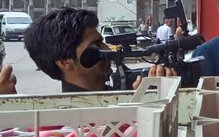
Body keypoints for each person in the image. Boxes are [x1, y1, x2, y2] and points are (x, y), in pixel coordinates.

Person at [24, 8, 175, 93]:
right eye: (95, 45)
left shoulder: (124, 89)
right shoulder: (65, 122)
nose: (106, 50)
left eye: (102, 42)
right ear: (65, 62)